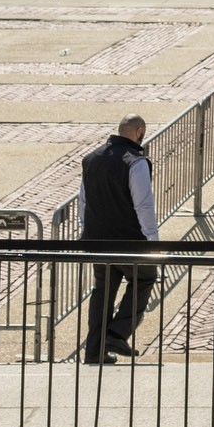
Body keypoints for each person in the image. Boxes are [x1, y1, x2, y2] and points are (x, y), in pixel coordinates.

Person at [77, 115, 159, 364]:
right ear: (139, 132)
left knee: (102, 291)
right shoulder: (136, 162)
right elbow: (143, 205)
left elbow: (84, 202)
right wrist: (153, 242)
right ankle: (117, 333)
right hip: (129, 241)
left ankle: (94, 351)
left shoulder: (91, 159)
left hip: (97, 240)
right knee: (145, 277)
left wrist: (88, 231)